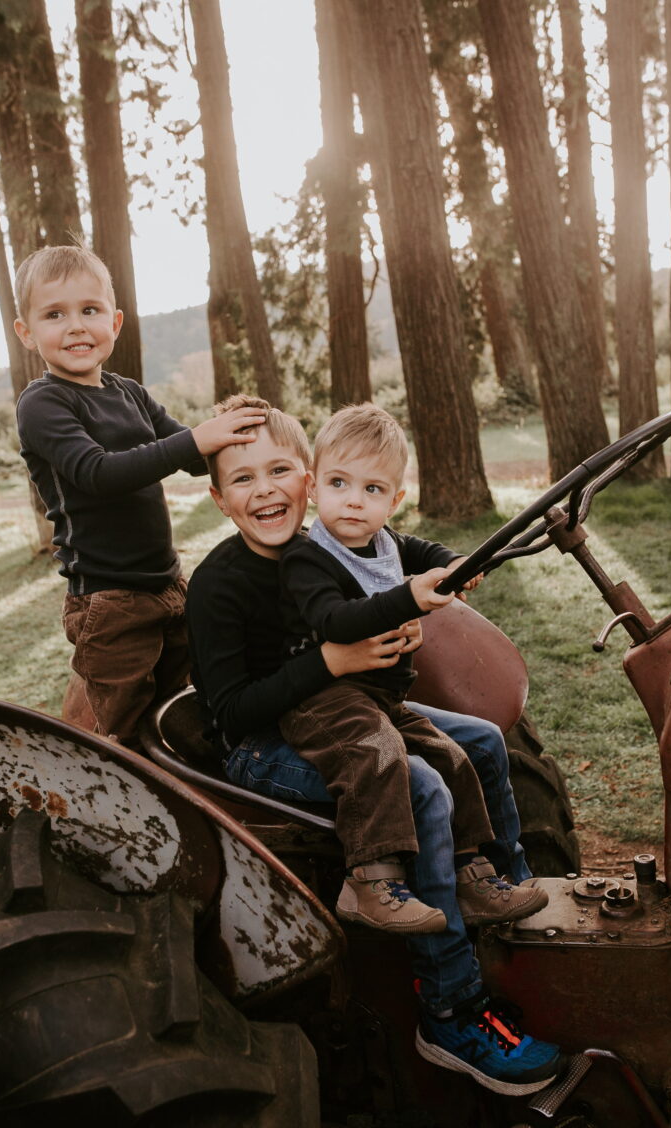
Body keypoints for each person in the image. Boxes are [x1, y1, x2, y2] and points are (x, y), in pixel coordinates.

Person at [186, 394, 561, 1095]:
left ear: (305, 476)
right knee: (419, 783)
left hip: (355, 712)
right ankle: (452, 1009)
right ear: (217, 498)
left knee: (479, 740)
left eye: (279, 471)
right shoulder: (220, 584)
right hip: (263, 746)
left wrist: (450, 566)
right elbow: (234, 712)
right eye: (242, 479)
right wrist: (330, 662)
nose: (264, 489)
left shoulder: (329, 543)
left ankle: (498, 891)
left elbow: (407, 554)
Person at [278, 402, 547, 933]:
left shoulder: (384, 543)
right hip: (325, 701)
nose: (354, 501)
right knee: (376, 757)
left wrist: (452, 565)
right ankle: (371, 879)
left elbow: (423, 549)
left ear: (394, 500)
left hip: (380, 696)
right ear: (313, 487)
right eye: (339, 483)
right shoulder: (308, 557)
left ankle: (473, 873)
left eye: (373, 490)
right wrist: (408, 599)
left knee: (455, 757)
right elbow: (335, 621)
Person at [14, 244, 266, 745]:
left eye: (90, 310)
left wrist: (248, 442)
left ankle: (203, 796)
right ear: (26, 333)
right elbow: (98, 474)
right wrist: (196, 438)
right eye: (54, 314)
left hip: (168, 584)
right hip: (108, 604)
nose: (76, 326)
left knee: (189, 703)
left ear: (116, 321)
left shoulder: (129, 393)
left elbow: (195, 458)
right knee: (124, 732)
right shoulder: (43, 403)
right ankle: (116, 813)